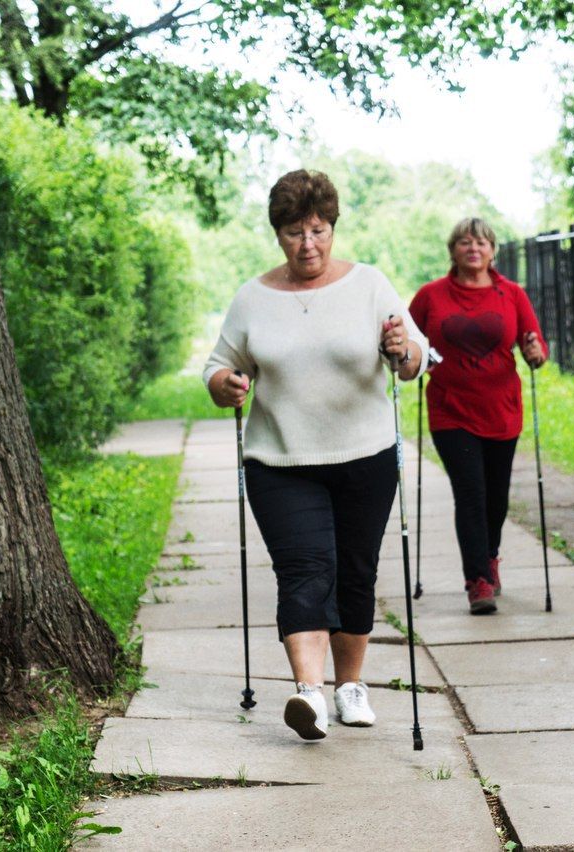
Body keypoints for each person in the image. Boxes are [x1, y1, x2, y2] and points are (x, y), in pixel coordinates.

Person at [203, 170, 427, 741]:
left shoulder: (369, 285)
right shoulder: (253, 298)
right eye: (294, 233)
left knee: (355, 571)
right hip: (280, 462)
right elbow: (219, 366)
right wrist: (226, 384)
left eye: (318, 230)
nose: (308, 244)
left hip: (365, 455)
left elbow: (414, 357)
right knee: (304, 571)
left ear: (332, 228)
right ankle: (309, 694)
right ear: (278, 235)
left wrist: (403, 350)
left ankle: (350, 687)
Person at [409, 217, 547, 615]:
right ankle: (478, 580)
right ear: (452, 250)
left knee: (496, 498)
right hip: (450, 410)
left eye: (482, 242)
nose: (474, 248)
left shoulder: (512, 294)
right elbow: (409, 341)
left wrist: (536, 353)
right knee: (470, 493)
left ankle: (489, 557)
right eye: (465, 242)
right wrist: (413, 359)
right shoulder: (431, 296)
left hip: (502, 410)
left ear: (492, 251)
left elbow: (535, 346)